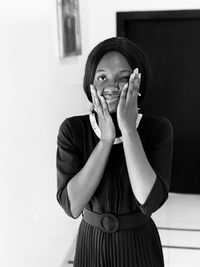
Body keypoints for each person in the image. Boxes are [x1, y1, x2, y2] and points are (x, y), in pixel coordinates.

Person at [56, 37, 173, 267]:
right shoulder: (73, 130)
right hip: (92, 245)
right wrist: (106, 140)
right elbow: (73, 205)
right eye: (102, 77)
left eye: (123, 78)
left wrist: (128, 129)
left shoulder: (157, 129)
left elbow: (149, 202)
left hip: (139, 246)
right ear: (91, 84)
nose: (112, 86)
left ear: (138, 83)